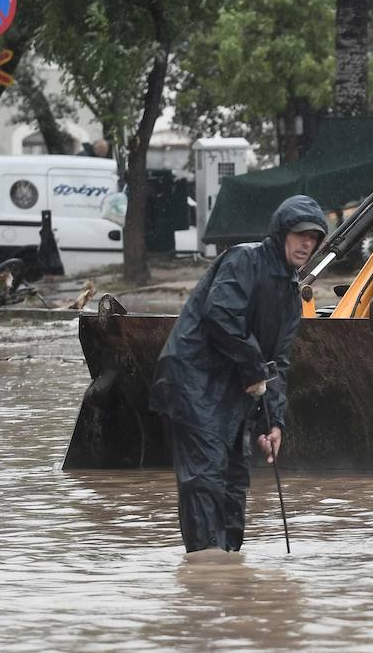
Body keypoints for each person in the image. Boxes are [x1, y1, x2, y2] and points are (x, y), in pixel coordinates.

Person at [149, 194, 328, 552]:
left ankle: (229, 564)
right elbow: (221, 315)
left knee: (235, 482)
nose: (306, 244)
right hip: (193, 382)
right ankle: (206, 567)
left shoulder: (291, 295)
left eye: (314, 237)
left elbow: (278, 363)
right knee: (204, 480)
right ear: (282, 233)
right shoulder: (244, 260)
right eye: (300, 235)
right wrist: (254, 369)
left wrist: (274, 423)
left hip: (235, 393)